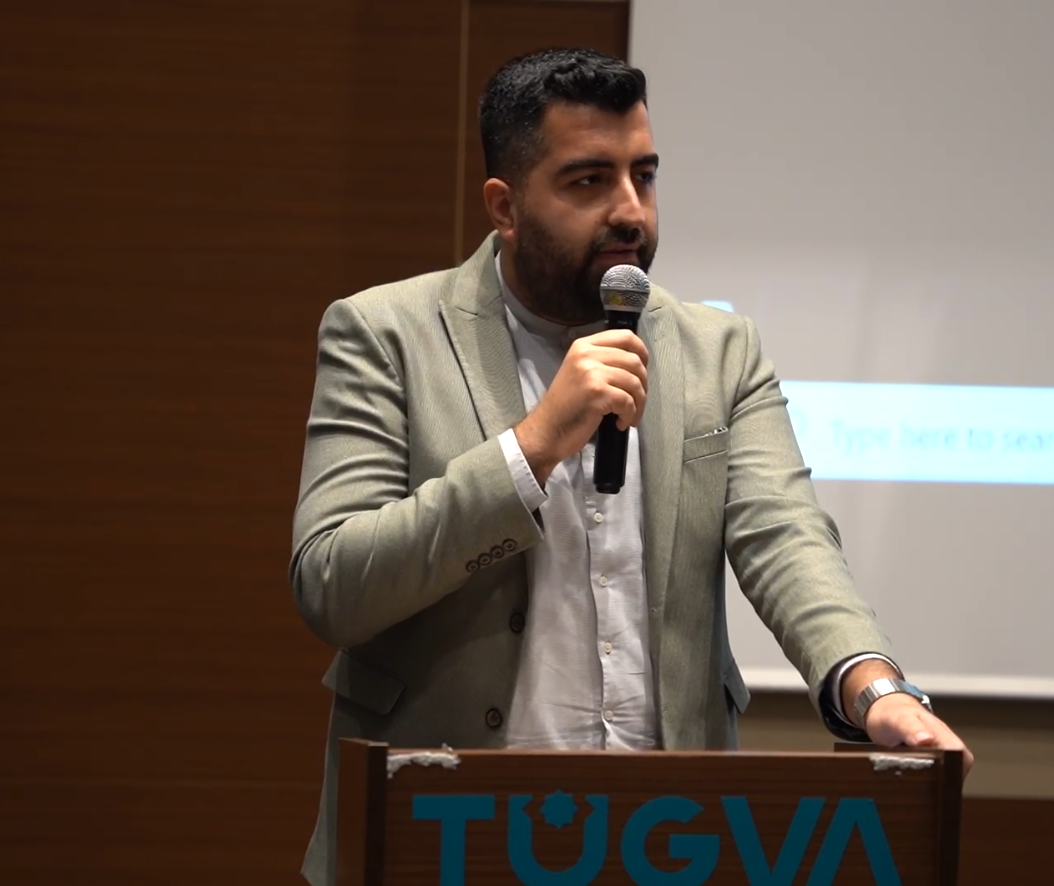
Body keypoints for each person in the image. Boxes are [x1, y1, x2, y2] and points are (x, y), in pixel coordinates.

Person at [289, 47, 972, 886]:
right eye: (588, 181)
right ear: (505, 206)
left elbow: (788, 542)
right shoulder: (383, 334)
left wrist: (875, 689)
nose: (629, 210)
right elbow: (333, 582)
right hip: (449, 830)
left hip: (666, 835)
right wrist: (532, 447)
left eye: (643, 176)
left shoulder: (719, 350)